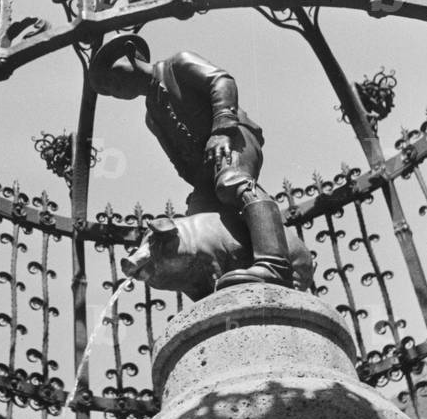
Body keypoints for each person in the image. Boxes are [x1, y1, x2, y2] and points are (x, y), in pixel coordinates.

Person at [88, 34, 294, 288]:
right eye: (108, 90)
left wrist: (221, 128)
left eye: (111, 77)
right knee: (200, 218)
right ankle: (219, 284)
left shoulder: (177, 65)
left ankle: (275, 263)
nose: (114, 89)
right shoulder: (152, 118)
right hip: (205, 170)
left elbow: (221, 80)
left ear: (130, 54)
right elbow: (180, 161)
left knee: (232, 182)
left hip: (233, 137)